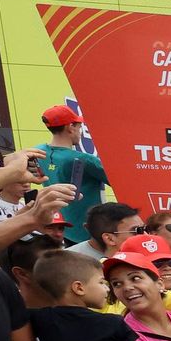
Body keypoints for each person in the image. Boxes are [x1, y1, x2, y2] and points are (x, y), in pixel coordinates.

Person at [35, 105, 107, 245]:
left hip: (56, 225)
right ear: (70, 127)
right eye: (79, 127)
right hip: (84, 232)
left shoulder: (38, 152)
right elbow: (119, 181)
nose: (80, 132)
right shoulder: (85, 160)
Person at [67, 202, 142, 261]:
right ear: (109, 239)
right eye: (137, 231)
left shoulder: (146, 254)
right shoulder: (70, 263)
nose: (146, 235)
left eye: (146, 228)